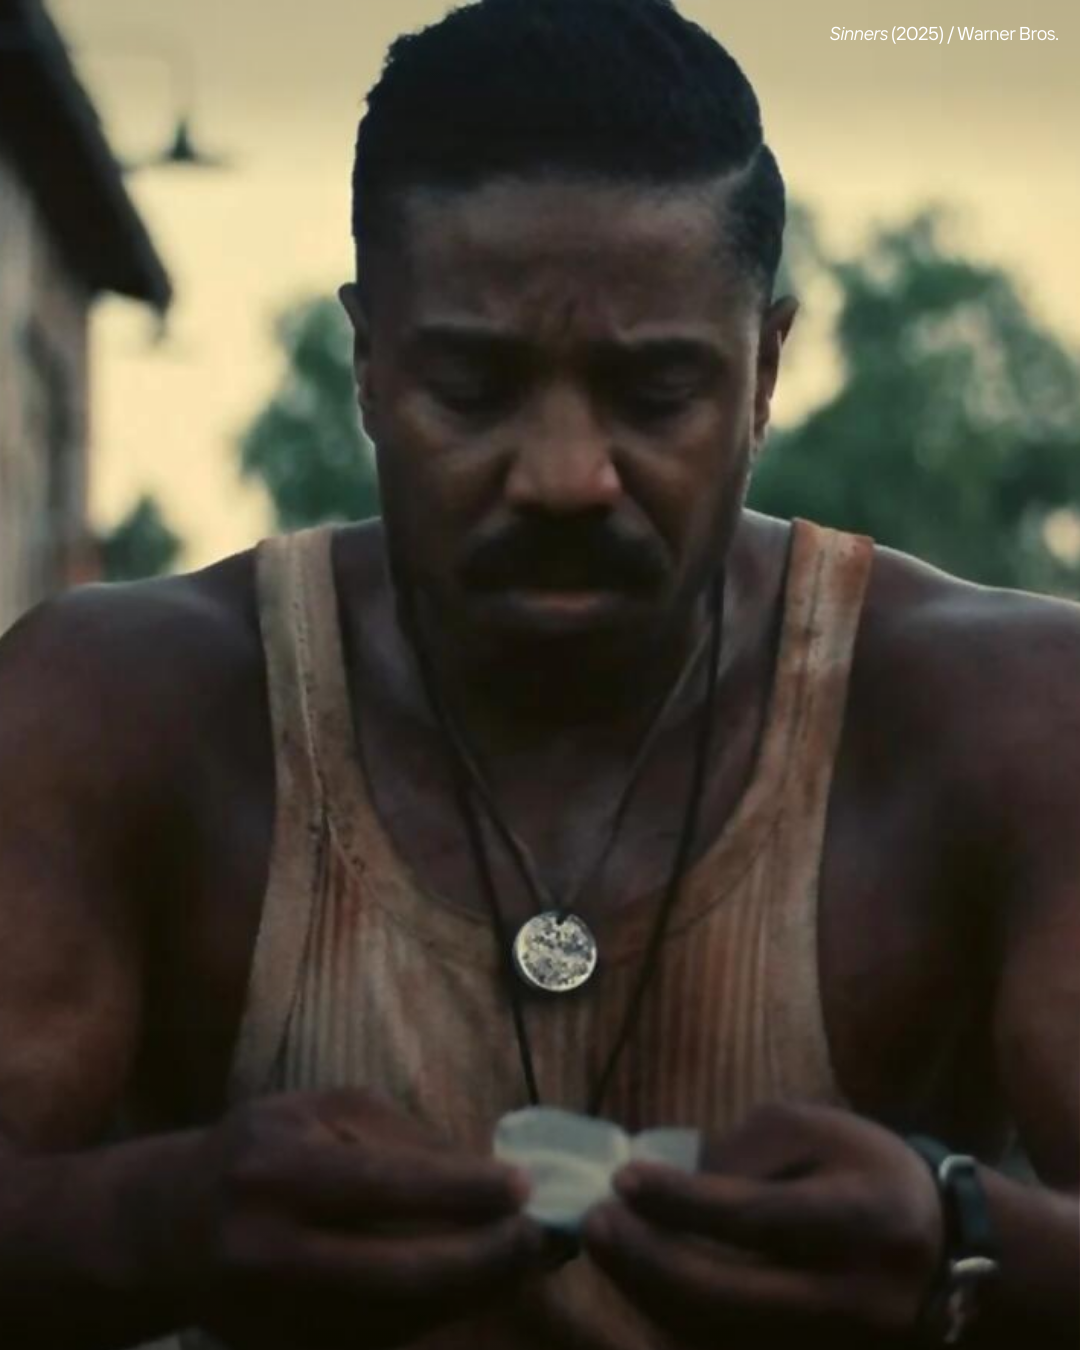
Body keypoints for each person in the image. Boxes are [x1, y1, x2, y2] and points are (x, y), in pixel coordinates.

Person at [0, 0, 1076, 1346]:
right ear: (368, 360)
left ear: (765, 371)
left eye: (656, 392)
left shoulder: (1013, 717)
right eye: (472, 385)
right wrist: (157, 1220)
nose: (566, 475)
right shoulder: (119, 710)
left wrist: (965, 1238)